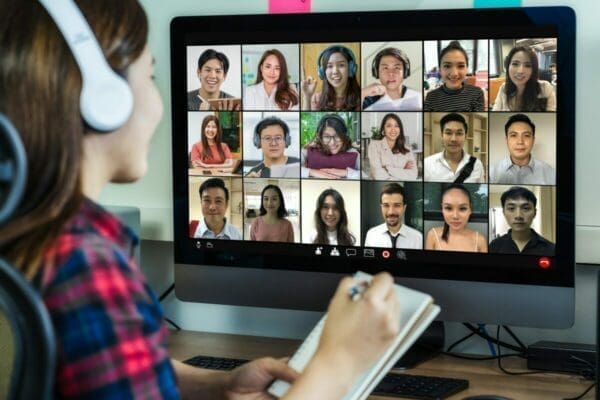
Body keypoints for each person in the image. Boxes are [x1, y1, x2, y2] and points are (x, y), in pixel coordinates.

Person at [0, 2, 401, 398]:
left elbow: (119, 371)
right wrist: (341, 361)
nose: (159, 104)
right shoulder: (87, 268)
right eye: (151, 77)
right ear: (105, 100)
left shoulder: (32, 234)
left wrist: (219, 384)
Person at [489, 113, 555, 185]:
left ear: (533, 140)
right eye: (513, 135)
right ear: (506, 140)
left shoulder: (549, 172)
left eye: (526, 135)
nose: (520, 142)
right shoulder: (492, 172)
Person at [489, 186, 555, 255]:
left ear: (535, 213)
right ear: (504, 213)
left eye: (526, 208)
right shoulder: (494, 246)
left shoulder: (551, 249)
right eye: (511, 208)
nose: (518, 216)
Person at [423, 41, 485, 112]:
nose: (454, 74)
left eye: (460, 66)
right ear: (440, 70)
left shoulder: (477, 94)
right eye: (447, 66)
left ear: (467, 69)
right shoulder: (431, 97)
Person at [424, 113, 485, 183]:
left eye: (459, 133)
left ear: (465, 136)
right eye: (448, 133)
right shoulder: (427, 164)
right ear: (442, 135)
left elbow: (480, 191)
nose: (454, 139)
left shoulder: (476, 164)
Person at [425, 184, 488, 252]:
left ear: (470, 209)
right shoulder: (433, 235)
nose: (455, 216)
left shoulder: (480, 240)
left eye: (462, 208)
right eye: (448, 208)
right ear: (442, 209)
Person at [492, 46, 556, 112]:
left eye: (527, 65)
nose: (520, 71)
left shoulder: (545, 88)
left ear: (533, 70)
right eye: (515, 64)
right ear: (508, 66)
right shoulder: (504, 88)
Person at [301, 45, 361, 111]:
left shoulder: (362, 97)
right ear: (323, 72)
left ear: (350, 69)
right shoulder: (317, 99)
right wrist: (307, 96)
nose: (335, 71)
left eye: (341, 65)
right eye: (329, 66)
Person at [301, 113, 360, 179]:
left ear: (344, 136)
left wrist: (346, 172)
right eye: (326, 136)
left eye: (337, 136)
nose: (332, 142)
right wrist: (312, 172)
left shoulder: (353, 152)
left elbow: (366, 175)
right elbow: (292, 169)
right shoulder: (309, 150)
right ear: (320, 137)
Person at [364, 183, 423, 249]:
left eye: (397, 205)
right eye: (386, 205)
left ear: (404, 208)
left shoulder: (418, 238)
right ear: (381, 207)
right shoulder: (371, 235)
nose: (391, 212)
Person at [367, 113, 418, 181]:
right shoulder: (374, 145)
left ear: (400, 129)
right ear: (383, 129)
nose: (393, 129)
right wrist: (402, 170)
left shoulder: (407, 149)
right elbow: (378, 175)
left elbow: (413, 175)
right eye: (389, 126)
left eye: (396, 126)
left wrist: (387, 168)